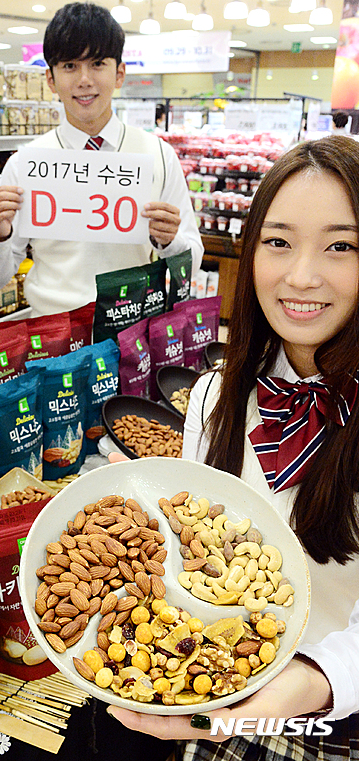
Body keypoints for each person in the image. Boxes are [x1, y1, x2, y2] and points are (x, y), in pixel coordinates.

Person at [107, 135, 359, 761]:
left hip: (338, 725)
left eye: (341, 246)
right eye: (278, 242)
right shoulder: (215, 397)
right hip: (220, 692)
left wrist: (313, 684)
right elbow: (197, 553)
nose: (301, 276)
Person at [0, 3, 203, 317]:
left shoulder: (158, 156)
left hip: (130, 329)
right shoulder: (26, 164)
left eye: (97, 63)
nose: (84, 79)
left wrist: (169, 241)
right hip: (52, 331)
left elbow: (192, 264)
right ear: (51, 79)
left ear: (119, 73)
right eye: (70, 65)